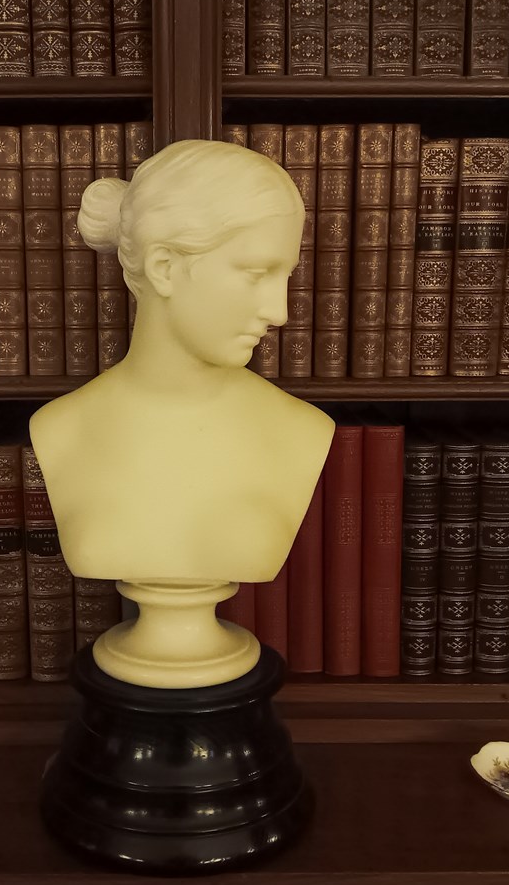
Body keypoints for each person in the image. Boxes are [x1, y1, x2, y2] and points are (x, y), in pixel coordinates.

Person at [29, 140, 334, 686]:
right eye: (255, 272)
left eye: (284, 275)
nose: (280, 311)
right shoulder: (61, 429)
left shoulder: (302, 432)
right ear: (165, 267)